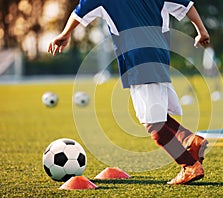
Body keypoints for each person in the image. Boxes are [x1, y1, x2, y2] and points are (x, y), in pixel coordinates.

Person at [48, 0, 210, 185]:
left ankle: (189, 165)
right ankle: (190, 139)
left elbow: (78, 14)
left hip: (137, 59)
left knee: (154, 126)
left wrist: (65, 34)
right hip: (159, 56)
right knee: (157, 117)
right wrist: (202, 31)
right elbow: (187, 5)